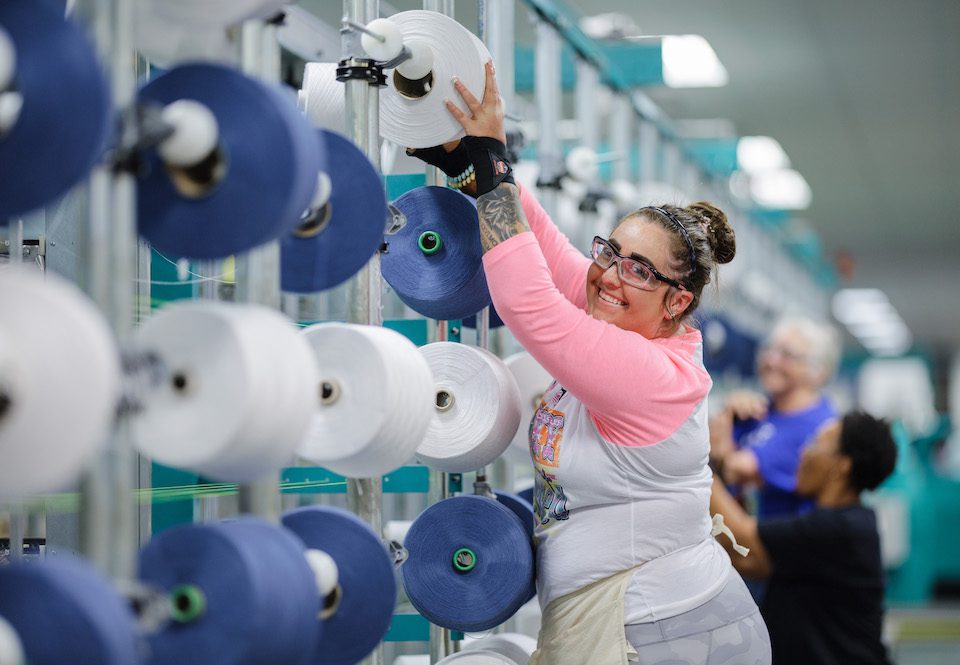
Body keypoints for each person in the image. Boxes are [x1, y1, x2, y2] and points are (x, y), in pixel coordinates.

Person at [411, 62, 770, 664]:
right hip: (621, 615)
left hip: (667, 633)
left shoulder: (652, 377)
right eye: (611, 249)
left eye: (638, 268)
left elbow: (529, 304)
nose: (608, 273)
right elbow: (549, 252)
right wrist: (474, 167)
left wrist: (494, 164)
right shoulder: (628, 313)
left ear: (678, 301)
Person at [709, 411, 898, 665]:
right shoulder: (841, 525)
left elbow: (743, 539)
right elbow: (748, 560)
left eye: (816, 443)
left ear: (841, 466)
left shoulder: (841, 529)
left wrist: (695, 465)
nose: (804, 451)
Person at [710, 317, 841, 519]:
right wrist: (730, 411)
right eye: (768, 349)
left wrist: (725, 420)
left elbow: (733, 468)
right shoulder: (758, 411)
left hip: (781, 546)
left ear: (818, 371)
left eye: (786, 354)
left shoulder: (820, 426)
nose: (771, 360)